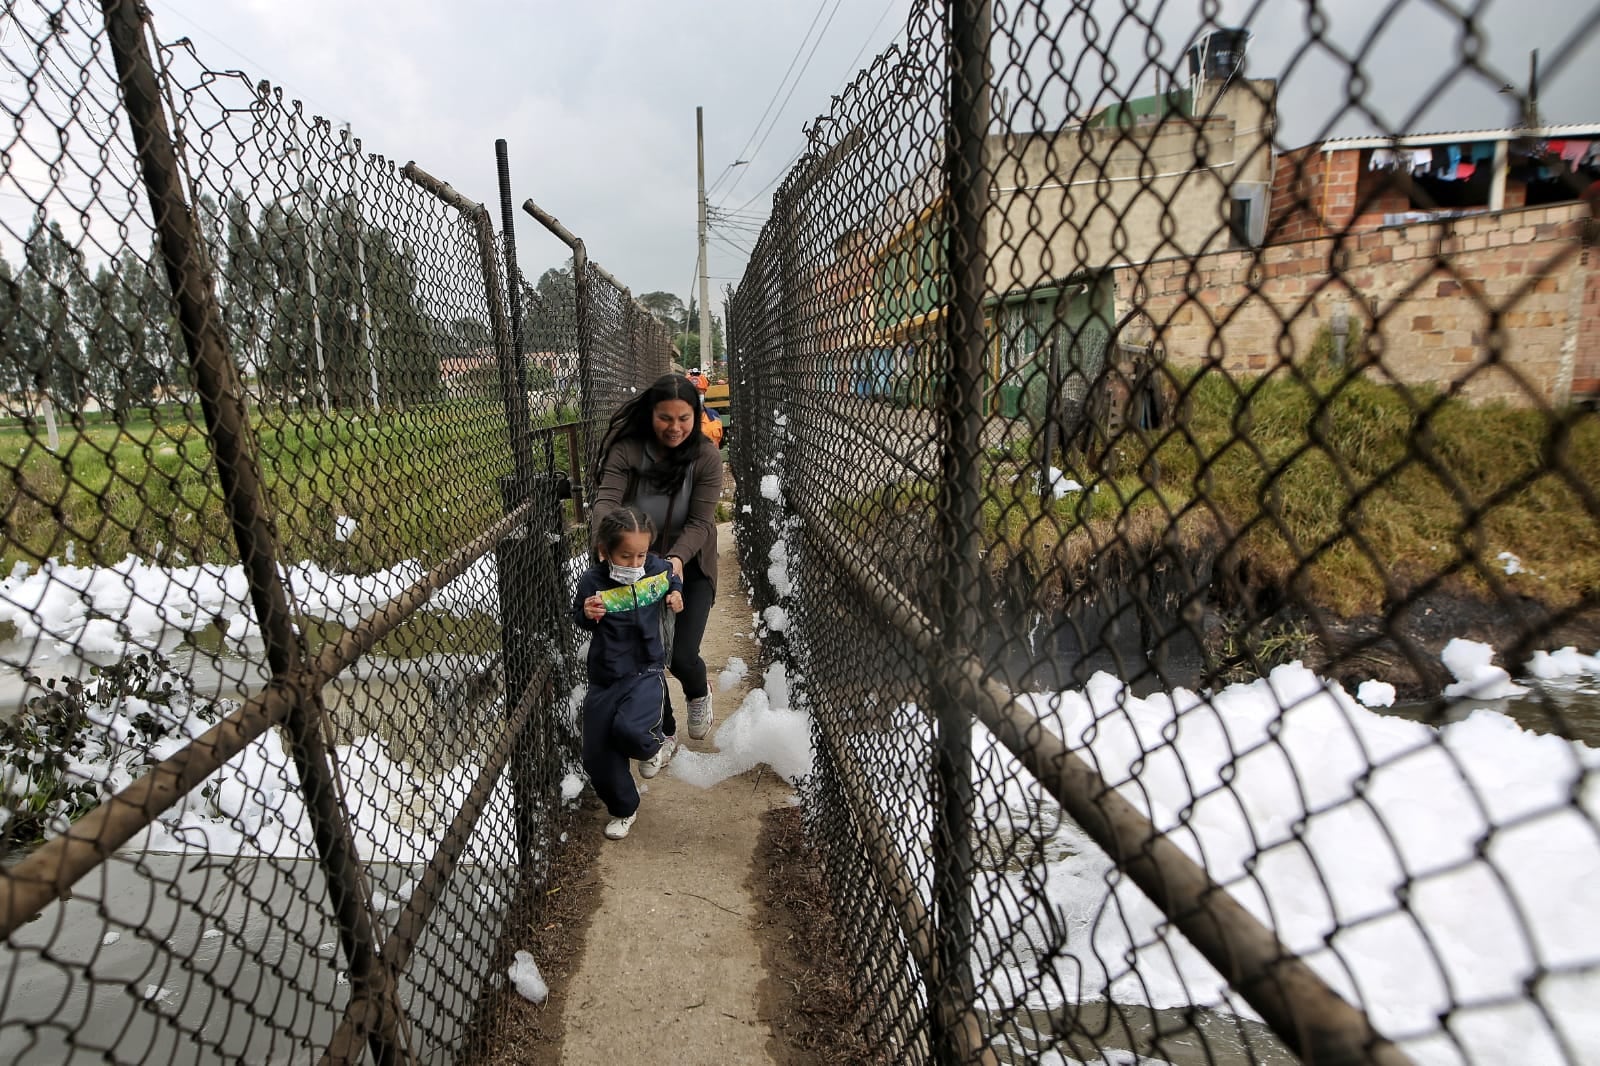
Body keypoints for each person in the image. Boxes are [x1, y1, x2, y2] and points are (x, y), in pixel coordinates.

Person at [591, 372, 724, 748]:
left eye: (684, 419)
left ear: (695, 416)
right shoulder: (627, 450)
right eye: (665, 418)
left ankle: (698, 692)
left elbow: (700, 521)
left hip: (691, 562)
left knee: (680, 656)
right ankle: (660, 729)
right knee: (645, 656)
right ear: (651, 415)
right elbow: (607, 500)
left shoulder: (705, 456)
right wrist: (605, 537)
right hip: (635, 563)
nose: (675, 427)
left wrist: (677, 559)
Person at [571, 505, 684, 840]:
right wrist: (586, 613)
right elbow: (578, 614)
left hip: (646, 669)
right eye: (625, 556)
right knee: (595, 754)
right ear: (604, 552)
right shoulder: (592, 581)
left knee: (632, 731)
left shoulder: (654, 569)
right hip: (606, 675)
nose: (635, 564)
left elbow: (673, 576)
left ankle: (656, 744)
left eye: (641, 555)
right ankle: (624, 807)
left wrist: (677, 593)